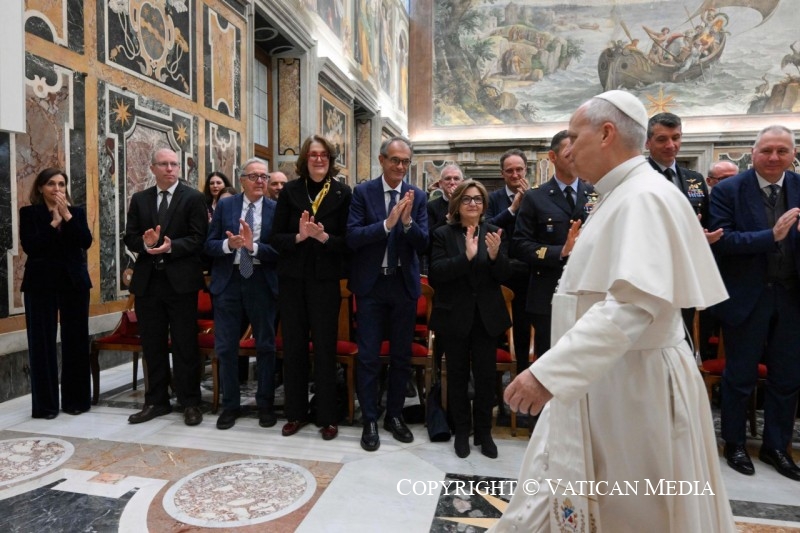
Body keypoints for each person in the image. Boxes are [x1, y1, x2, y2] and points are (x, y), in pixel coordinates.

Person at [491, 90, 734, 532]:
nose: (568, 147)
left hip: (633, 388)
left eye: (575, 135)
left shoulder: (643, 198)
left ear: (606, 133)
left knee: (635, 511)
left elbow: (631, 306)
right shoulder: (621, 194)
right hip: (605, 378)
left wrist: (547, 372)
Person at [709, 125, 800, 481]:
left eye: (782, 151)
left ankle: (775, 446)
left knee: (788, 378)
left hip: (792, 298)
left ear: (793, 153)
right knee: (740, 376)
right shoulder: (729, 190)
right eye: (767, 151)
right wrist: (770, 236)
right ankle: (734, 443)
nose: (774, 157)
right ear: (753, 152)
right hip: (747, 297)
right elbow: (722, 241)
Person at [346, 136, 428, 452]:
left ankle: (394, 416)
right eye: (395, 160)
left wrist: (406, 224)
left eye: (405, 161)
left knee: (401, 357)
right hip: (371, 286)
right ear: (382, 160)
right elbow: (352, 237)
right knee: (367, 356)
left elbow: (423, 244)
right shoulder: (363, 193)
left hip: (403, 286)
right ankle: (369, 418)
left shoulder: (416, 196)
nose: (400, 166)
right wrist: (386, 224)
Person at [271, 135, 352, 440]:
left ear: (330, 160)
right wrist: (299, 237)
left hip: (325, 282)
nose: (318, 159)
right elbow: (275, 238)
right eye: (313, 155)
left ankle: (327, 416)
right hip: (292, 281)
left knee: (325, 348)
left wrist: (323, 238)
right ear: (305, 159)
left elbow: (348, 243)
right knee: (293, 348)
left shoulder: (344, 193)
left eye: (324, 155)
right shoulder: (290, 191)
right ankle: (295, 413)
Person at [124, 148, 208, 426]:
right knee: (153, 344)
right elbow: (130, 237)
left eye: (174, 164)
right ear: (153, 168)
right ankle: (156, 401)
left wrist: (172, 246)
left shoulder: (194, 198)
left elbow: (199, 239)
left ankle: (190, 402)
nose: (170, 168)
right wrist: (146, 244)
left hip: (181, 283)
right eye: (164, 164)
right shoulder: (140, 199)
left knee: (185, 344)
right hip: (149, 283)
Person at [429, 180, 511, 459]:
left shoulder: (495, 233)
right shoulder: (442, 234)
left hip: (486, 318)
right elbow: (437, 273)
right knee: (458, 376)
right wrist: (466, 257)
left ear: (484, 205)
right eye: (467, 199)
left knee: (487, 378)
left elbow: (504, 274)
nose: (473, 204)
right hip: (454, 317)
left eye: (478, 199)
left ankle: (484, 432)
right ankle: (462, 432)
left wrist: (495, 255)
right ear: (457, 205)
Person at [204, 157, 279, 430]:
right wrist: (228, 244)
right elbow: (208, 245)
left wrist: (254, 247)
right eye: (254, 176)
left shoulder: (276, 209)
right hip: (229, 282)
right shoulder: (226, 205)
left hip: (261, 281)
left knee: (266, 347)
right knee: (225, 347)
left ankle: (266, 405)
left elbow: (281, 251)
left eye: (264, 177)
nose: (260, 181)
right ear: (242, 180)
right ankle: (230, 406)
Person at [512, 130, 594, 369]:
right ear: (553, 156)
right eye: (570, 153)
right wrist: (559, 251)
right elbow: (520, 245)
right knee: (551, 364)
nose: (576, 158)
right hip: (548, 294)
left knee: (586, 366)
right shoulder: (535, 198)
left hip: (589, 291)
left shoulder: (596, 194)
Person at [20, 168, 93, 419]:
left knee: (76, 341)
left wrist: (67, 217)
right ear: (40, 188)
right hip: (40, 283)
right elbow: (32, 246)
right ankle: (46, 406)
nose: (57, 189)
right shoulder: (29, 213)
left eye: (61, 184)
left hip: (74, 283)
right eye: (51, 184)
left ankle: (77, 401)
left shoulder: (77, 212)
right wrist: (53, 223)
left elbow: (85, 242)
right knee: (42, 344)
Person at [488, 149, 533, 375]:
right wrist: (512, 208)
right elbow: (488, 227)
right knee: (496, 331)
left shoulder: (537, 197)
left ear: (526, 170)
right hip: (500, 274)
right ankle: (496, 387)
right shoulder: (492, 198)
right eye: (510, 171)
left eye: (519, 170)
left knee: (524, 331)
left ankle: (523, 376)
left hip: (527, 274)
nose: (515, 175)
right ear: (502, 174)